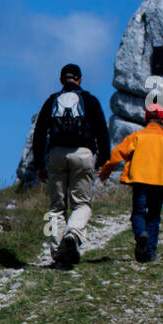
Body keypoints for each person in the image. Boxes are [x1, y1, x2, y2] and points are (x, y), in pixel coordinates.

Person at [30, 63, 111, 268]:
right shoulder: (90, 100)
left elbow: (39, 133)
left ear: (61, 80)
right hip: (83, 154)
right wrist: (103, 161)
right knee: (81, 203)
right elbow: (102, 132)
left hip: (56, 155)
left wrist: (39, 163)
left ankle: (58, 253)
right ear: (80, 79)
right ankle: (72, 234)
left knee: (56, 208)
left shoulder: (51, 101)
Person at [97, 103, 163, 262]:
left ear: (145, 118)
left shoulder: (137, 136)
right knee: (154, 217)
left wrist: (105, 172)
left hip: (140, 181)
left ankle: (140, 235)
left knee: (138, 212)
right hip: (160, 183)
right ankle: (149, 253)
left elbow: (117, 154)